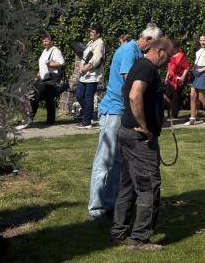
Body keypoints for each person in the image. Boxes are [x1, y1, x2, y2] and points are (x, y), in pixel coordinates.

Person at [88, 24, 162, 221]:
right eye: (153, 45)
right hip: (114, 111)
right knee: (105, 160)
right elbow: (130, 82)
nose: (154, 50)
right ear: (147, 40)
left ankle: (110, 204)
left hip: (120, 111)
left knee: (119, 163)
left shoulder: (135, 52)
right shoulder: (130, 50)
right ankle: (96, 208)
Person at [111, 37, 173, 252]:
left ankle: (119, 231)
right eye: (169, 57)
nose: (168, 62)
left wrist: (158, 98)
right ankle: (139, 239)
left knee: (128, 185)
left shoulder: (138, 64)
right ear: (161, 52)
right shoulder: (147, 68)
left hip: (126, 133)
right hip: (139, 138)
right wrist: (145, 127)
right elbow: (134, 94)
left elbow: (135, 93)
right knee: (149, 187)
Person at [26, 33, 65, 127]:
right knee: (49, 98)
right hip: (43, 77)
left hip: (51, 78)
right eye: (43, 41)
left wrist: (50, 65)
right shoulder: (45, 51)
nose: (44, 42)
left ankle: (30, 118)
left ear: (51, 41)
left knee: (35, 95)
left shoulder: (55, 51)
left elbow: (62, 63)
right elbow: (43, 63)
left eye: (46, 41)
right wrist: (39, 73)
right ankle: (50, 120)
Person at [75, 25, 105, 128]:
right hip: (84, 75)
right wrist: (80, 67)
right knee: (79, 95)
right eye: (90, 32)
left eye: (93, 32)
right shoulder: (90, 43)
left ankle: (87, 121)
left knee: (88, 97)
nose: (90, 33)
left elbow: (96, 59)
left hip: (92, 75)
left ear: (98, 34)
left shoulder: (99, 43)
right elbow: (84, 57)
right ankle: (88, 113)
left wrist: (85, 68)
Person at [186, 34, 205, 125]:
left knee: (201, 97)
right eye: (201, 40)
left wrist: (202, 70)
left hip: (203, 73)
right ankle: (192, 118)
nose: (202, 42)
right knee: (192, 96)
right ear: (199, 41)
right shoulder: (198, 51)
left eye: (204, 40)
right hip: (195, 72)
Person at [164, 43, 190, 120]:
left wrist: (183, 77)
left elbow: (187, 67)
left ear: (177, 48)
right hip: (170, 79)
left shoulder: (181, 56)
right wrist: (166, 77)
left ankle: (174, 115)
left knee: (176, 96)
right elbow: (169, 67)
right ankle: (168, 114)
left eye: (173, 48)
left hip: (178, 79)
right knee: (167, 95)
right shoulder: (172, 56)